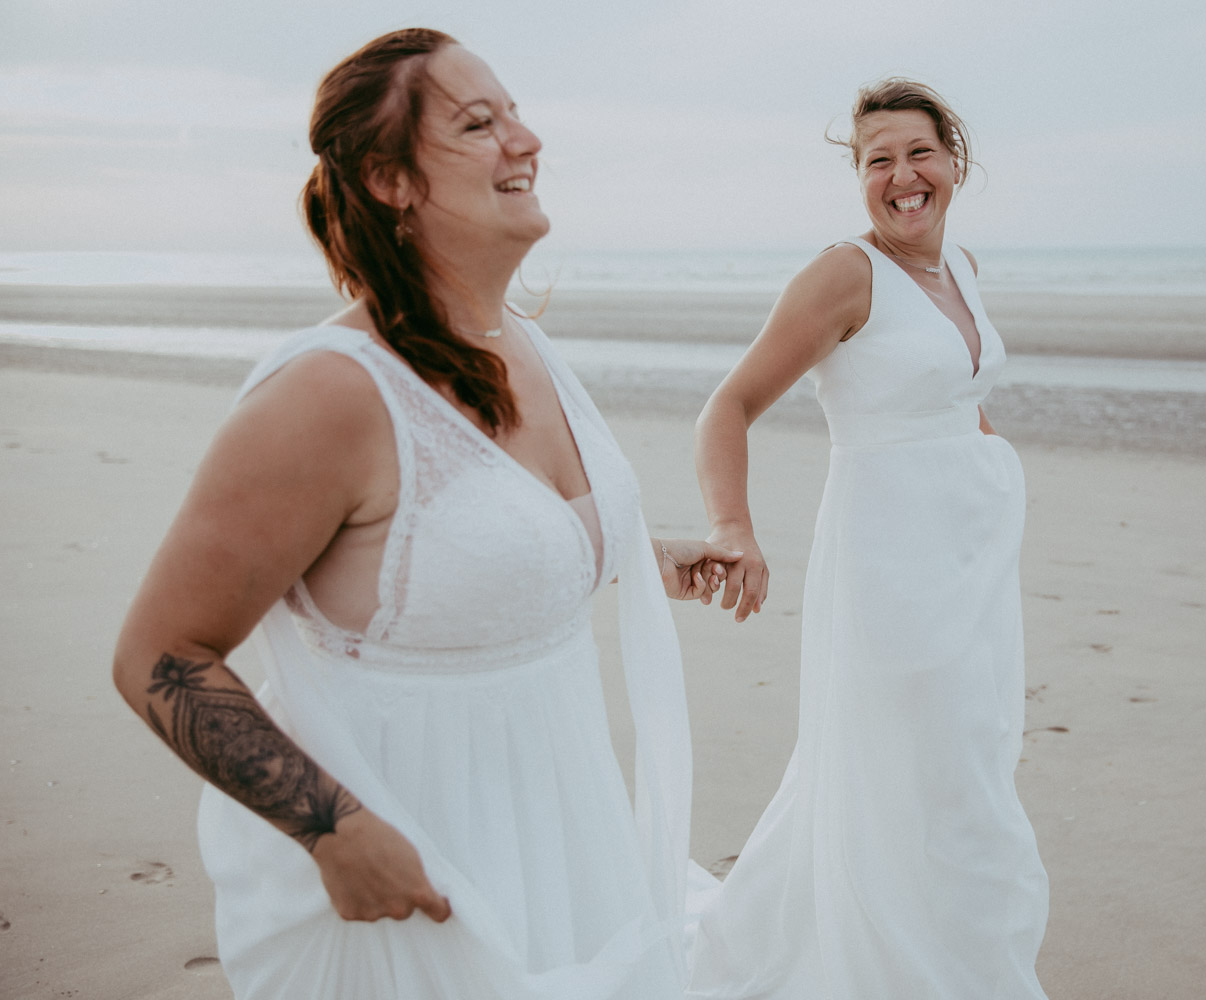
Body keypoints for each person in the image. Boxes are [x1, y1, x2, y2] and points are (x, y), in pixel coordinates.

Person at [112, 28, 738, 999]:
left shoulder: (523, 341)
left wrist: (628, 550)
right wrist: (337, 830)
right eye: (478, 123)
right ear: (390, 179)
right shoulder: (329, 394)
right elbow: (160, 654)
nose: (524, 141)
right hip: (412, 870)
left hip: (565, 836)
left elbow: (461, 547)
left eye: (516, 113)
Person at [685, 79, 1049, 998]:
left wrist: (985, 463)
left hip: (971, 560)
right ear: (859, 179)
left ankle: (950, 957)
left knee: (964, 761)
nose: (901, 176)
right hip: (890, 566)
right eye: (876, 160)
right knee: (899, 771)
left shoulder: (961, 265)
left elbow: (948, 401)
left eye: (918, 152)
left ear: (954, 161)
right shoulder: (845, 274)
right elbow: (727, 406)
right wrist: (735, 527)